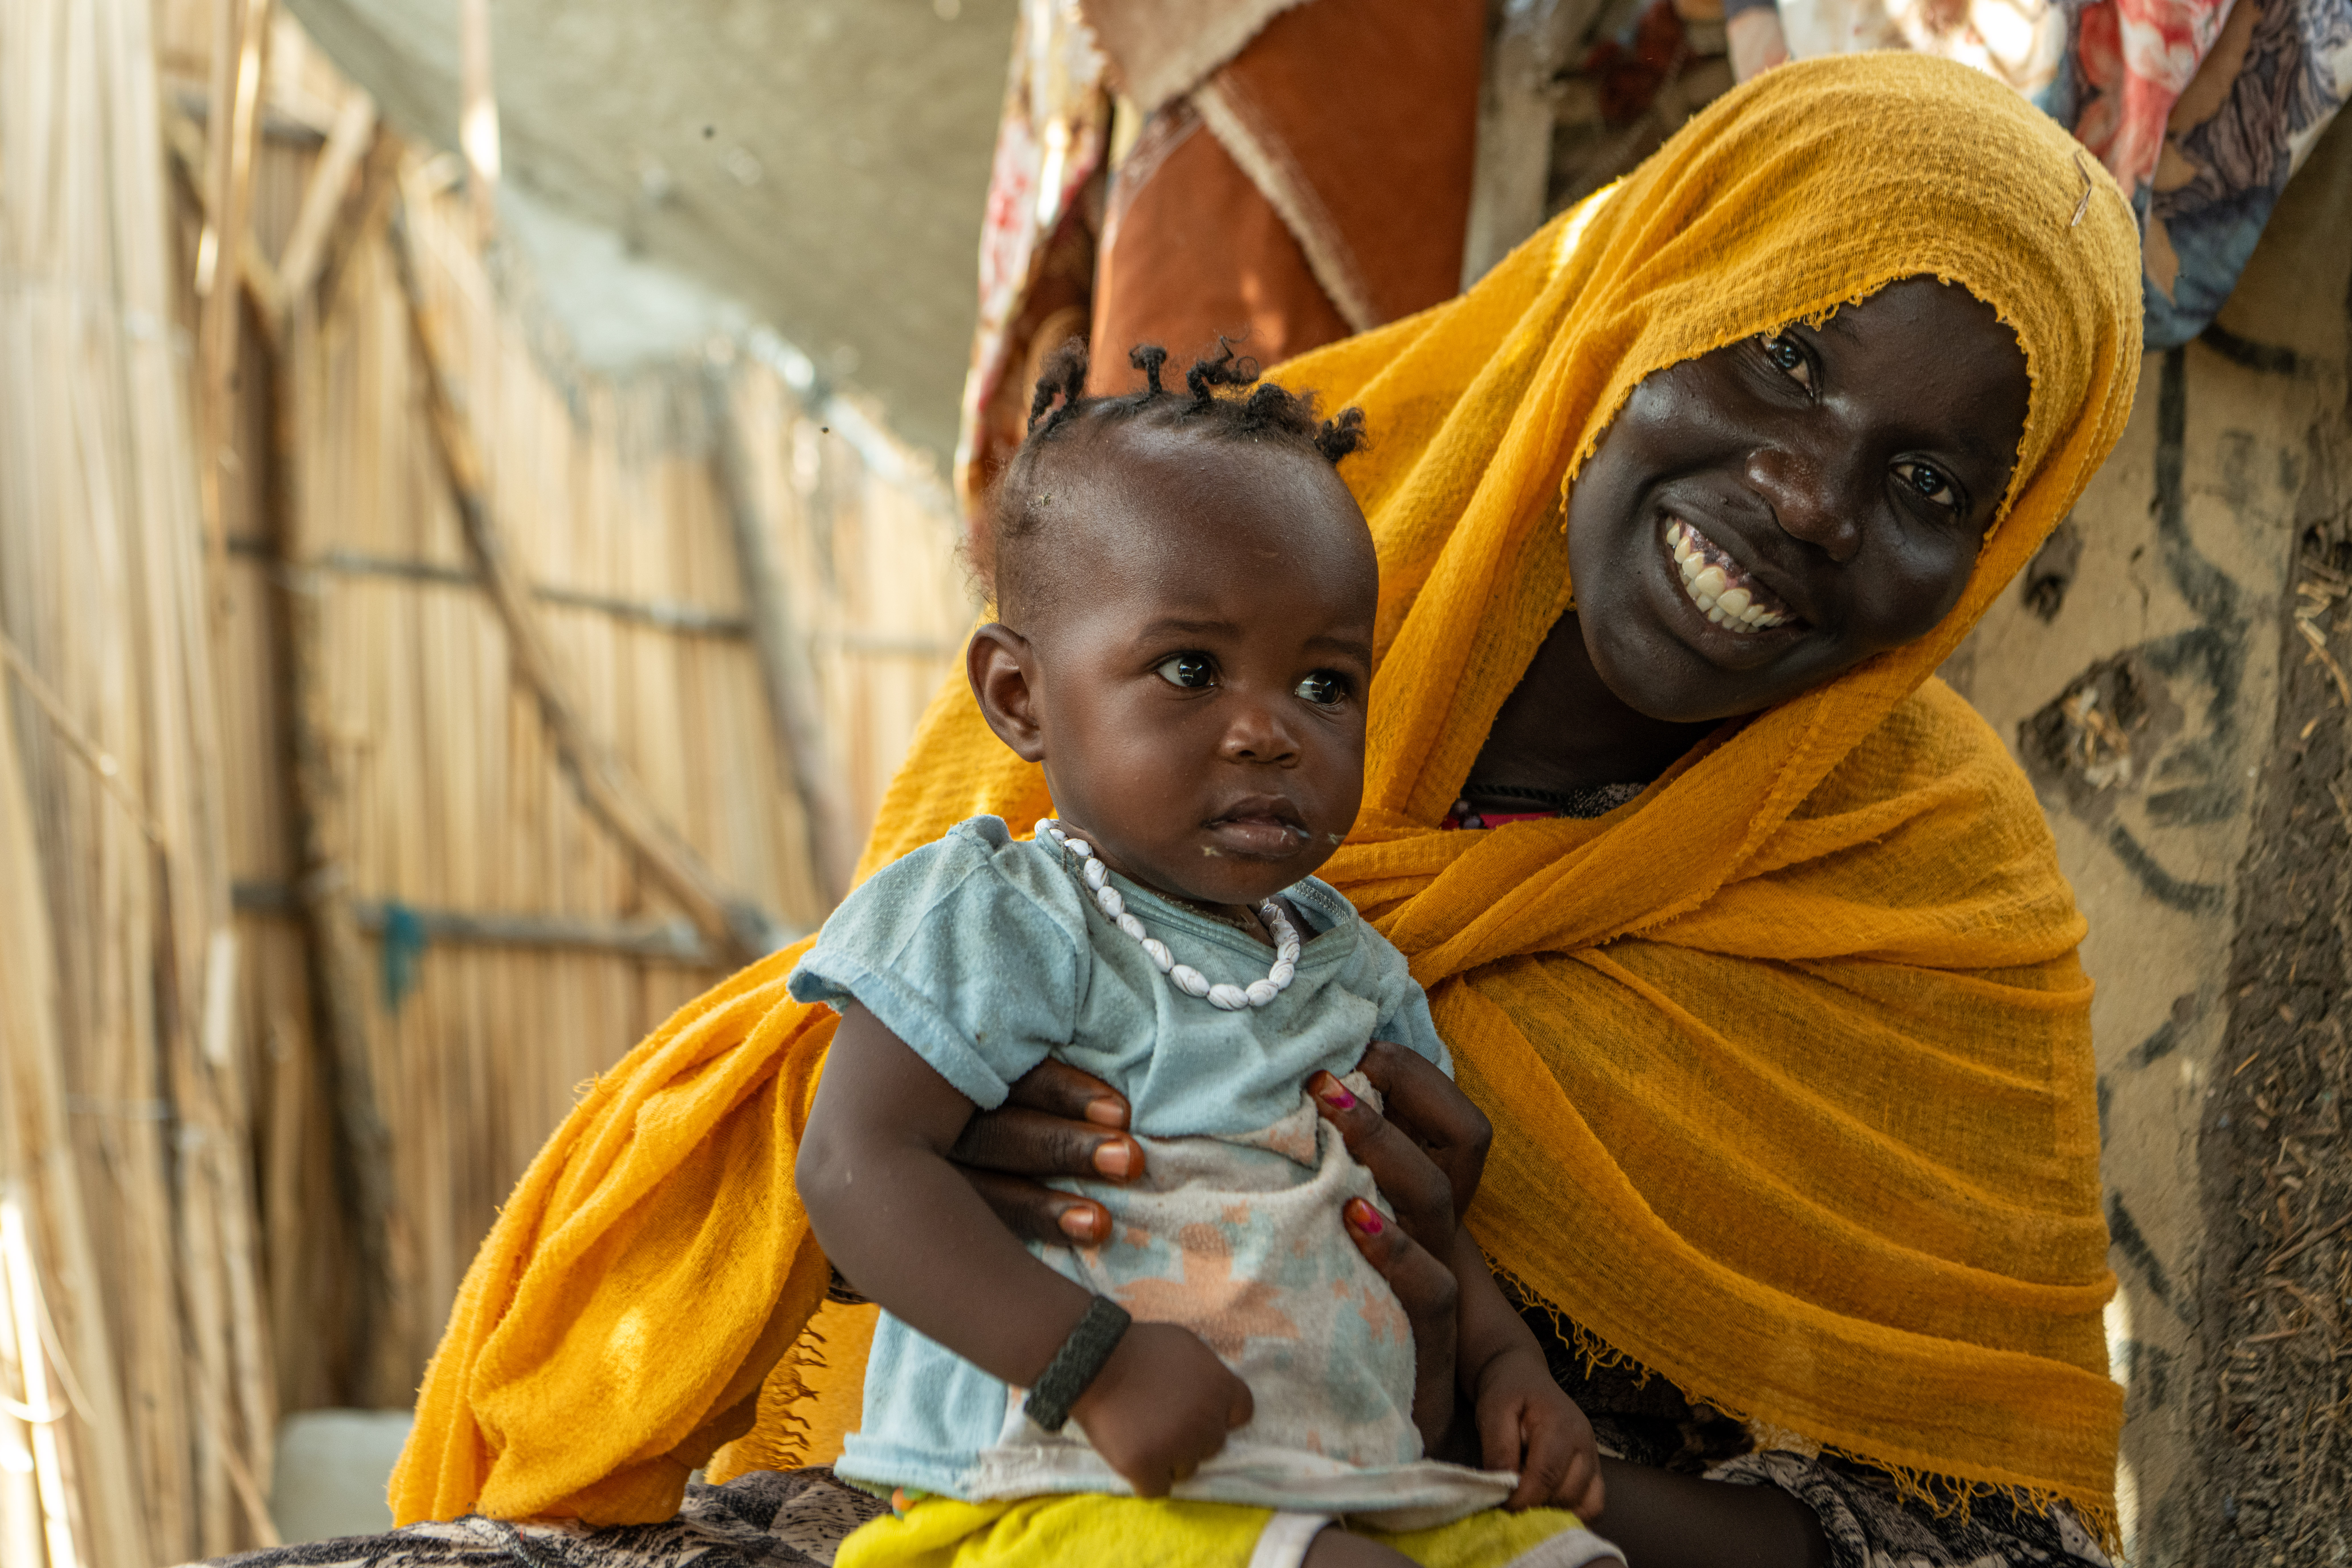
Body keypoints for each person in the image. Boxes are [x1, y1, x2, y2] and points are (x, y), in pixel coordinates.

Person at [377, 51, 2143, 1568]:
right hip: (1016, 1489)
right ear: (1654, 297)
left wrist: (1489, 1409)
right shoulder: (1223, 553)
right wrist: (980, 1183)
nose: (1809, 497)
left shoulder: (1926, 895)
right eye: (1785, 358)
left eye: (1928, 483)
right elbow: (836, 1131)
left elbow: (2004, 1541)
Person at [791, 341, 1619, 1568]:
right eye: (1191, 669)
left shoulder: (1354, 970)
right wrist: (1097, 1360)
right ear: (1021, 696)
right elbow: (856, 1160)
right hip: (1069, 1481)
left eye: (1325, 683)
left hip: (1339, 1478)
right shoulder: (1010, 913)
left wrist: (1508, 1367)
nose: (1268, 732)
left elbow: (1405, 1219)